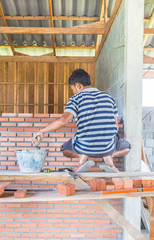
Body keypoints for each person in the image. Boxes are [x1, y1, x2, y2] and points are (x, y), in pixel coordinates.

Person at [32, 69, 130, 172]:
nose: (73, 92)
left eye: (72, 89)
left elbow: (63, 121)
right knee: (127, 147)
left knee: (65, 149)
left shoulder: (75, 99)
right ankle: (109, 158)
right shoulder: (109, 98)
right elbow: (116, 126)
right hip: (108, 147)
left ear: (78, 86)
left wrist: (41, 131)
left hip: (84, 147)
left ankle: (81, 161)